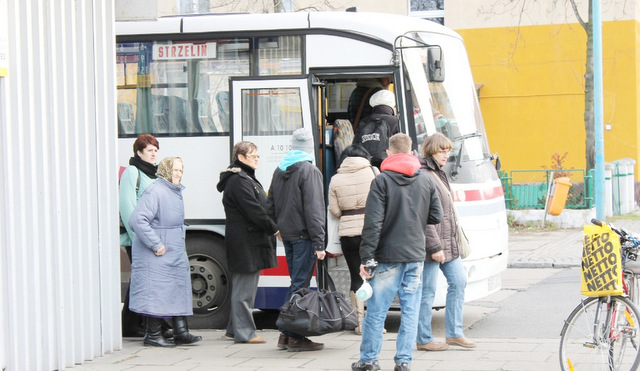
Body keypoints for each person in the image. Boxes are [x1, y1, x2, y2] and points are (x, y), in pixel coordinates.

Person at [351, 133, 443, 371]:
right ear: (412, 152)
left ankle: (369, 360)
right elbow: (436, 216)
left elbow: (372, 223)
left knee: (377, 311)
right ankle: (404, 361)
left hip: (388, 256)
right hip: (415, 256)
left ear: (389, 153)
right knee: (410, 310)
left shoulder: (382, 181)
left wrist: (367, 257)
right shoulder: (426, 180)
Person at [129, 157, 202, 348]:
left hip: (172, 250)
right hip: (157, 253)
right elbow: (137, 220)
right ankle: (152, 335)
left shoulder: (172, 190)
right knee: (157, 291)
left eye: (180, 170)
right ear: (165, 170)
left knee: (176, 288)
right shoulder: (156, 190)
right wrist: (156, 244)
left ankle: (181, 332)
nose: (178, 174)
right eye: (175, 170)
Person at [266, 127, 326, 352]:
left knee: (295, 283)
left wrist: (277, 229)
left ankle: (285, 335)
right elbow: (314, 209)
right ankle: (294, 336)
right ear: (310, 147)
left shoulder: (279, 170)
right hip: (305, 237)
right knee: (300, 286)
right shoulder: (309, 170)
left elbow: (269, 205)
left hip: (289, 236)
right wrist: (320, 243)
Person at [416, 132, 476, 351]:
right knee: (427, 291)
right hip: (432, 245)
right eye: (442, 151)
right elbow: (423, 216)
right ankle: (423, 338)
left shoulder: (438, 173)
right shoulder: (424, 175)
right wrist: (434, 246)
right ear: (431, 150)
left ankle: (454, 333)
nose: (446, 155)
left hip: (447, 243)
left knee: (459, 281)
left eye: (448, 151)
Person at [216, 141, 279, 344]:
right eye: (253, 155)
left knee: (244, 288)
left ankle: (234, 329)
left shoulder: (244, 178)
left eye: (257, 155)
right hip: (245, 243)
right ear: (241, 158)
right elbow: (254, 210)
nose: (257, 159)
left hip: (248, 241)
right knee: (244, 291)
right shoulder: (239, 181)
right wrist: (274, 228)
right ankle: (245, 333)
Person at [328, 144, 378, 335]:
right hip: (371, 232)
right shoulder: (373, 172)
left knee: (356, 276)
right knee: (373, 276)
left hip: (348, 234)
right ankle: (375, 323)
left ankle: (359, 323)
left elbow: (334, 211)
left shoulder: (336, 178)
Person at [119, 133, 159, 338]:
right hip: (138, 237)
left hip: (150, 236)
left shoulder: (154, 173)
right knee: (141, 280)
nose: (154, 154)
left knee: (144, 279)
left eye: (155, 151)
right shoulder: (132, 172)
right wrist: (139, 237)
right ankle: (131, 323)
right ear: (138, 152)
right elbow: (127, 207)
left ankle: (138, 322)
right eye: (150, 150)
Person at [352, 89, 400, 169]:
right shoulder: (395, 122)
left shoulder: (363, 122)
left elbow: (355, 146)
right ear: (392, 106)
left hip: (367, 168)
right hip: (388, 169)